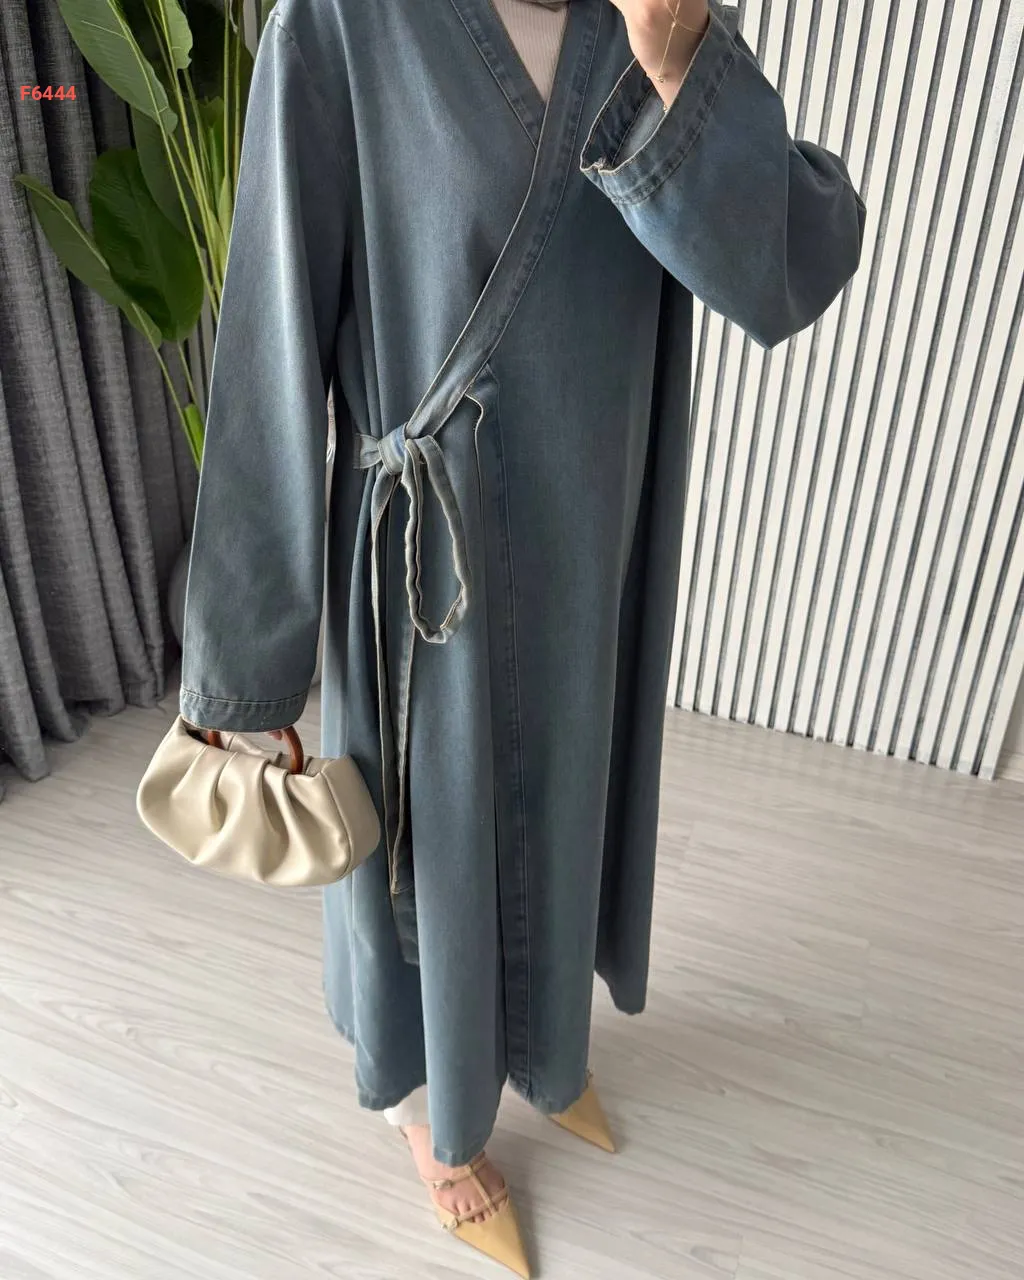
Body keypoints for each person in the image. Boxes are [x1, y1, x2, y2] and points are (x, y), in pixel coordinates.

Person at [179, 0, 866, 1273]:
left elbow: (784, 269)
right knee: (420, 839)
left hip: (595, 531)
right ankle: (427, 1115)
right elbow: (272, 332)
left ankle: (543, 1053)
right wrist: (248, 655)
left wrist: (678, 62)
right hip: (426, 561)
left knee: (567, 803)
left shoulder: (650, 17)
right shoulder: (340, 28)